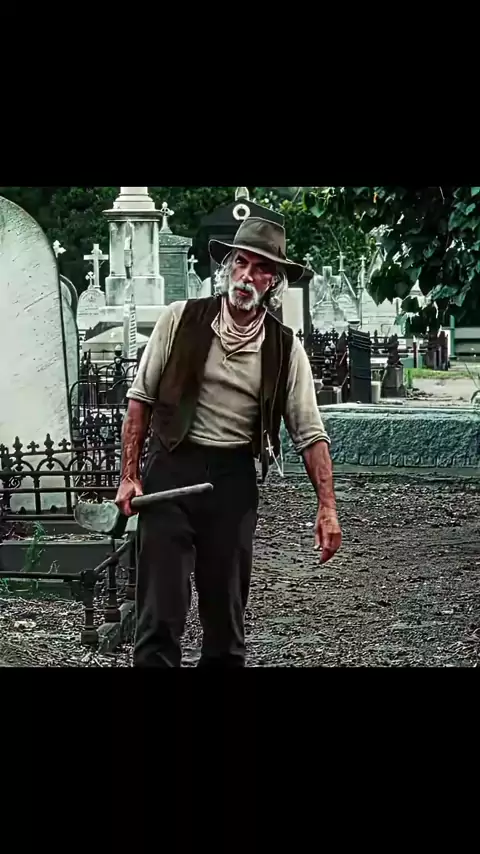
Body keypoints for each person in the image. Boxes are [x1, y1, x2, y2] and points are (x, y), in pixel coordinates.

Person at [115, 217, 342, 667]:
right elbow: (140, 400)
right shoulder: (179, 320)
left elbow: (309, 433)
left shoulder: (284, 348)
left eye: (261, 268)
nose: (247, 276)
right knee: (161, 609)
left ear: (274, 282)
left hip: (232, 480)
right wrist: (129, 475)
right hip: (171, 469)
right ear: (228, 267)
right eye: (241, 262)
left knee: (225, 618)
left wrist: (327, 507)